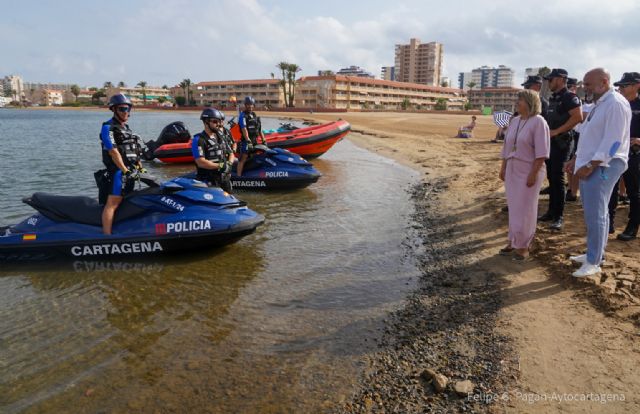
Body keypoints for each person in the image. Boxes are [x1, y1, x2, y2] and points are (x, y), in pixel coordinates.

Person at [565, 68, 631, 277]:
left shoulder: (616, 104)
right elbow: (587, 135)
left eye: (589, 84)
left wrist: (592, 165)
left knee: (597, 213)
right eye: (584, 83)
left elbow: (613, 142)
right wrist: (577, 159)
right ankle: (594, 254)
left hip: (605, 164)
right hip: (591, 163)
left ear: (603, 82)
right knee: (593, 211)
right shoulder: (599, 104)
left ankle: (594, 261)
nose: (586, 87)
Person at [499, 90, 550, 260]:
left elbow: (542, 152)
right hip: (512, 168)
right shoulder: (514, 121)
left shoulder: (539, 122)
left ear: (529, 102)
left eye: (519, 100)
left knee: (526, 208)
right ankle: (513, 240)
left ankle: (524, 246)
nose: (516, 102)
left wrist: (533, 174)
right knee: (514, 207)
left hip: (530, 169)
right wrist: (503, 167)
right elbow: (507, 147)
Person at [538, 68, 583, 231]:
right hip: (551, 144)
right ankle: (551, 212)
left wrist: (557, 131)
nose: (548, 82)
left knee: (558, 180)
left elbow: (578, 117)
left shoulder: (569, 97)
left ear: (560, 79)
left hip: (562, 143)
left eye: (551, 79)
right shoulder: (554, 97)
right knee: (551, 178)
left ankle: (559, 217)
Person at [100, 93, 144, 235]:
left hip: (130, 171)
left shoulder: (127, 129)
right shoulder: (108, 127)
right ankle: (107, 236)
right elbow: (113, 152)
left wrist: (139, 167)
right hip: (118, 172)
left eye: (128, 109)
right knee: (112, 204)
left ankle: (126, 229)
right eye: (122, 109)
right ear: (114, 109)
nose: (126, 112)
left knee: (127, 200)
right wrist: (124, 170)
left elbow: (133, 150)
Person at [611, 72, 640, 241]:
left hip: (633, 154)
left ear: (637, 85)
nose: (621, 88)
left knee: (634, 192)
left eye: (625, 85)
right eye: (620, 86)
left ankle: (632, 226)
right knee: (610, 189)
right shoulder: (616, 104)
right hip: (614, 153)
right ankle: (608, 223)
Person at [192, 108, 235, 193]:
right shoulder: (199, 140)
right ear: (206, 122)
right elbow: (200, 162)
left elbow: (231, 153)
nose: (218, 124)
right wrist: (220, 166)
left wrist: (229, 164)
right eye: (215, 121)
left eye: (219, 121)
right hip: (208, 182)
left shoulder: (221, 137)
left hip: (224, 179)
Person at [236, 96, 266, 177]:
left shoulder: (254, 115)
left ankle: (252, 173)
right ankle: (238, 176)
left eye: (251, 104)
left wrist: (264, 140)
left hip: (254, 140)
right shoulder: (243, 115)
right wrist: (248, 140)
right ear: (245, 105)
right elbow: (244, 128)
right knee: (243, 157)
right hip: (246, 140)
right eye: (248, 104)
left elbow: (259, 129)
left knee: (254, 156)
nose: (250, 106)